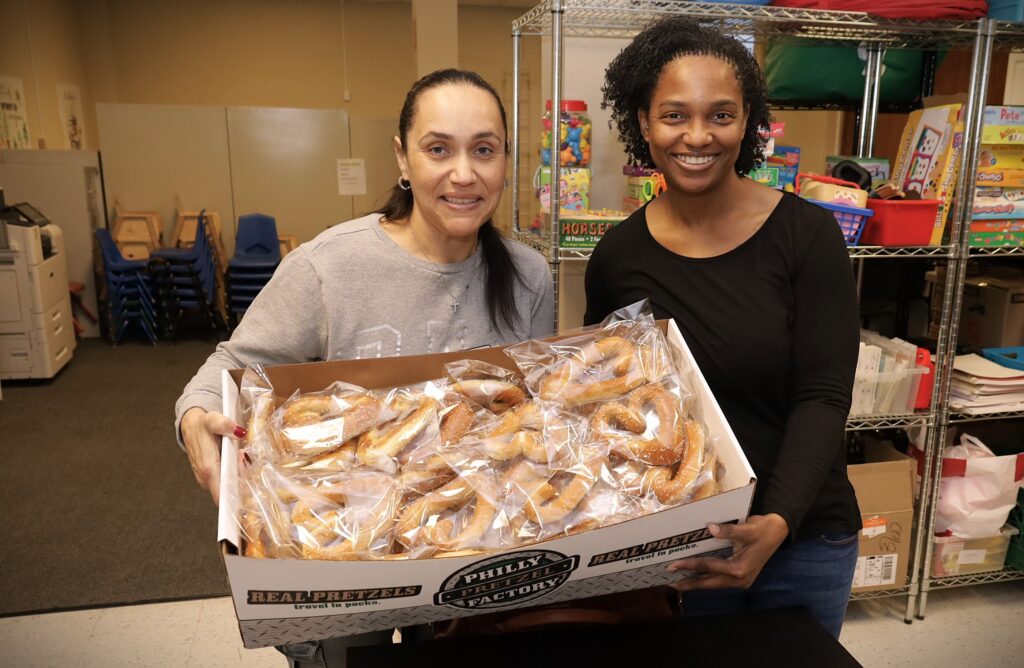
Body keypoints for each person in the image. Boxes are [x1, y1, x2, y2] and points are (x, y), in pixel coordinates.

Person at [175, 68, 554, 666]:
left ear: (506, 160)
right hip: (345, 554)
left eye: (484, 150)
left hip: (469, 552)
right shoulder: (330, 268)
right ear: (402, 158)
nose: (464, 173)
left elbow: (530, 412)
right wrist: (196, 417)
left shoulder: (529, 276)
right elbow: (230, 368)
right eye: (438, 149)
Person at [586, 18, 861, 638]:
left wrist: (776, 521)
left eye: (721, 115)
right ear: (643, 123)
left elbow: (823, 395)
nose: (697, 136)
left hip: (803, 539)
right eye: (674, 115)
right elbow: (614, 400)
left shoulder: (807, 237)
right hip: (680, 545)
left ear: (748, 121)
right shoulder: (617, 257)